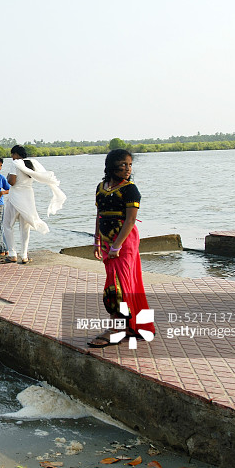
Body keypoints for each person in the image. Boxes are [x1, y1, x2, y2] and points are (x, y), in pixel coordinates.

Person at [88, 149, 155, 348]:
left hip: (124, 242)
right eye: (123, 164)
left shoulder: (130, 189)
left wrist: (117, 246)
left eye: (130, 165)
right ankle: (131, 326)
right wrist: (97, 242)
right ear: (111, 166)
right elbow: (99, 215)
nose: (127, 169)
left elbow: (131, 219)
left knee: (119, 285)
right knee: (118, 282)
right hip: (108, 241)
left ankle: (116, 328)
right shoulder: (101, 187)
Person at [0, 145, 66, 264]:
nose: (11, 157)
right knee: (25, 227)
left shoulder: (16, 163)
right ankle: (24, 255)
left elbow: (12, 182)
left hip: (15, 197)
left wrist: (8, 177)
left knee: (8, 225)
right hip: (28, 198)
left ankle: (12, 253)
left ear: (15, 154)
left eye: (12, 154)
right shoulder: (32, 163)